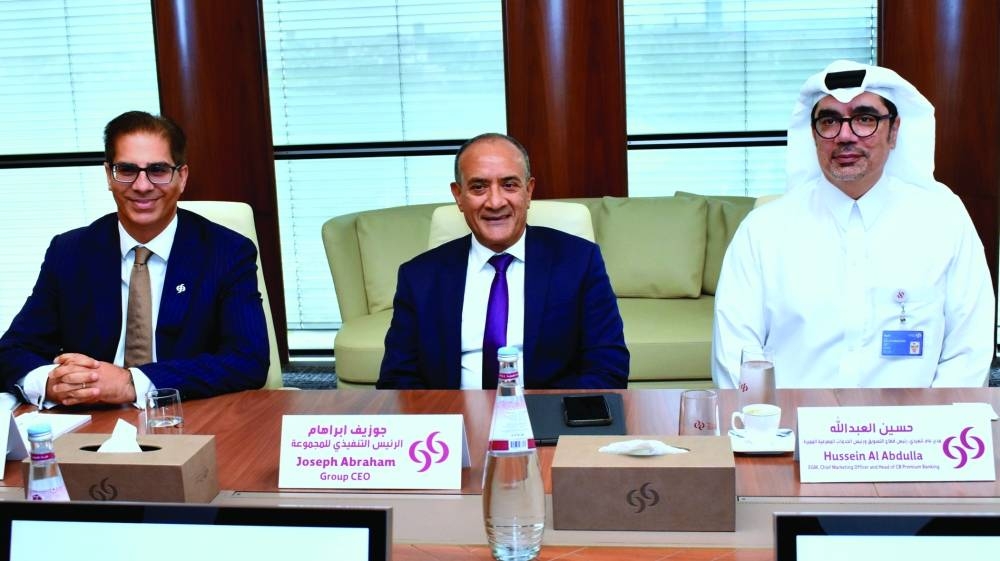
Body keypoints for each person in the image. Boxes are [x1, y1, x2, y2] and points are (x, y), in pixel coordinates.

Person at [712, 60, 995, 388]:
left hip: (913, 432)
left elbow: (968, 347)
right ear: (814, 135)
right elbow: (736, 356)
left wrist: (929, 427)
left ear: (894, 131)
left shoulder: (943, 219)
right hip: (792, 432)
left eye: (864, 119)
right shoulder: (763, 230)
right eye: (829, 121)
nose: (845, 135)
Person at [0, 110, 269, 407]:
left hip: (186, 415)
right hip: (91, 421)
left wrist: (133, 383)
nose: (142, 185)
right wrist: (51, 381)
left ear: (181, 177)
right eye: (127, 170)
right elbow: (12, 350)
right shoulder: (70, 251)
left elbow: (248, 360)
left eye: (158, 170)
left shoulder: (226, 252)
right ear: (108, 175)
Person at [377, 133, 629, 389]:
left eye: (509, 185)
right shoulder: (419, 277)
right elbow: (397, 380)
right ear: (458, 195)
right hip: (454, 419)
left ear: (528, 191)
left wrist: (556, 419)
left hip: (549, 419)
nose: (495, 202)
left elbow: (608, 367)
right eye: (478, 187)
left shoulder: (579, 262)